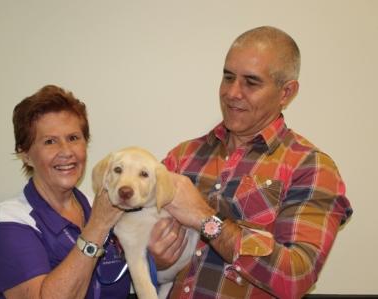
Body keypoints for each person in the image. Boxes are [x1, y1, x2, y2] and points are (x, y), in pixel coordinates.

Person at [149, 26, 353, 298]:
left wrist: (205, 218)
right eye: (228, 77)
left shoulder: (311, 168)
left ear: (286, 92)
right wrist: (153, 261)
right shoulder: (182, 156)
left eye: (251, 82)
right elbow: (126, 241)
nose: (232, 92)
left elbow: (295, 277)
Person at [0, 85, 131, 299]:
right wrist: (97, 227)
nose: (66, 152)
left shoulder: (95, 205)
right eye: (50, 141)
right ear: (25, 154)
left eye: (73, 138)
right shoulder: (9, 221)